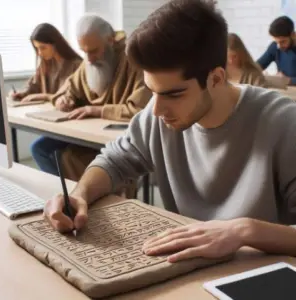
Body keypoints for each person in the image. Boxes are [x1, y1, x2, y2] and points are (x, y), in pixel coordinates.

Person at [45, 0, 296, 263]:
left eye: (173, 94)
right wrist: (78, 195)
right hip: (187, 271)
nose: (156, 110)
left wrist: (245, 231)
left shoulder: (283, 123)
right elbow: (113, 161)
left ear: (216, 79)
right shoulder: (158, 113)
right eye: (152, 91)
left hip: (258, 275)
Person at [32, 15, 151, 180]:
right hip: (87, 132)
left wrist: (95, 110)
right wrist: (65, 99)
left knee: (67, 157)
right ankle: (68, 197)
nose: (88, 59)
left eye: (94, 51)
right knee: (40, 147)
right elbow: (68, 89)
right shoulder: (89, 59)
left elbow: (140, 109)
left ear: (111, 41)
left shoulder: (134, 59)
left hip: (119, 136)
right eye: (84, 51)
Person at [11, 23, 82, 103]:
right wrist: (23, 93)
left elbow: (71, 99)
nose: (39, 53)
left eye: (43, 48)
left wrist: (45, 96)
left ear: (56, 44)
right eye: (37, 48)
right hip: (46, 111)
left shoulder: (77, 65)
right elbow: (34, 87)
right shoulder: (45, 64)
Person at [257, 16, 296, 85]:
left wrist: (288, 80)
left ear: (293, 35)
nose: (279, 46)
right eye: (277, 42)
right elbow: (257, 66)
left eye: (283, 41)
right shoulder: (275, 46)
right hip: (284, 92)